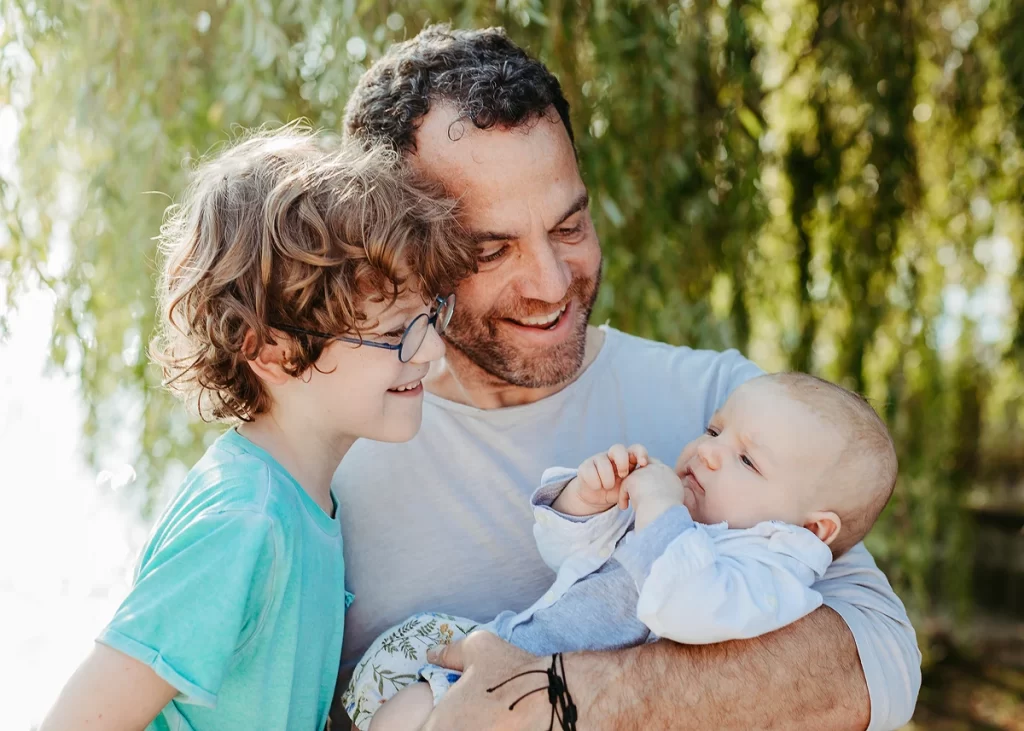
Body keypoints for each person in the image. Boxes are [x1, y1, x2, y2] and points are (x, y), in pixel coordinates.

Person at [334, 24, 922, 731]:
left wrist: (561, 695)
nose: (552, 284)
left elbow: (877, 660)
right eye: (492, 249)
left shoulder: (733, 408)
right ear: (395, 249)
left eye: (570, 226)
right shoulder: (330, 455)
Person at [39, 127, 475, 731]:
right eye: (394, 333)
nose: (429, 349)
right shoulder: (244, 522)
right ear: (270, 351)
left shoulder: (301, 500)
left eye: (429, 316)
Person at [345, 373, 900, 730]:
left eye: (747, 461)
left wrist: (662, 509)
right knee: (403, 714)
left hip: (559, 711)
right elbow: (571, 560)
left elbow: (685, 605)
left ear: (813, 528)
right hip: (506, 656)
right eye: (714, 431)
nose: (706, 453)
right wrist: (587, 501)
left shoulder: (771, 570)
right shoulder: (689, 522)